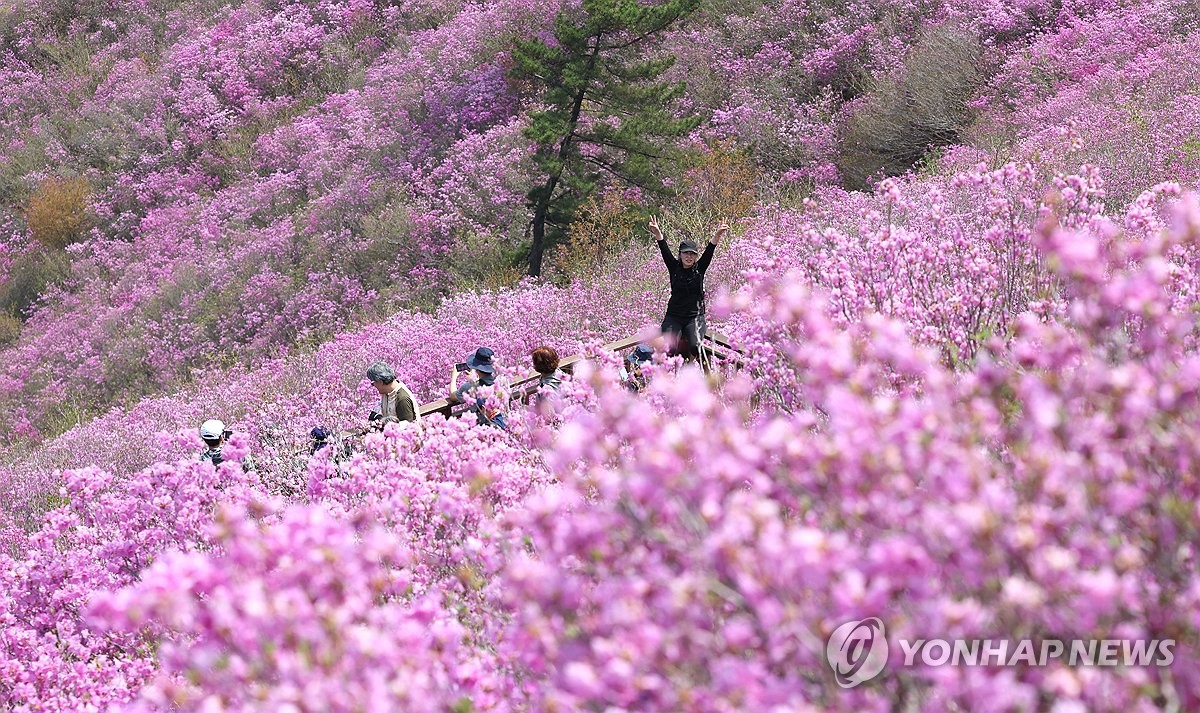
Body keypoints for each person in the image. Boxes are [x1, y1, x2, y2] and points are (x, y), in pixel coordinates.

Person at [648, 216, 727, 360]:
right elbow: (664, 250)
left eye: (692, 254)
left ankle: (695, 373)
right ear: (680, 254)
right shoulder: (674, 267)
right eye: (686, 253)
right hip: (674, 316)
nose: (689, 257)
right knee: (669, 348)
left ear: (696, 256)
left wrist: (717, 235)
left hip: (694, 317)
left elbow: (710, 251)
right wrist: (658, 234)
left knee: (695, 347)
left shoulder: (700, 269)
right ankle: (672, 376)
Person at [448, 347, 508, 430]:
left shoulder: (470, 387)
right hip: (503, 426)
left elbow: (453, 396)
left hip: (484, 431)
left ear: (476, 369)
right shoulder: (502, 381)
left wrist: (454, 376)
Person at [366, 361, 420, 430]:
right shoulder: (387, 392)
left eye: (373, 383)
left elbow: (408, 429)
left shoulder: (402, 399)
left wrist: (382, 421)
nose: (373, 386)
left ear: (380, 382)